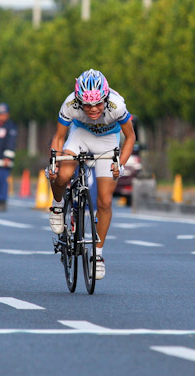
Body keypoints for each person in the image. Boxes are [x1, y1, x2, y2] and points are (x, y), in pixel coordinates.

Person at [46, 69, 135, 280]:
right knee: (63, 173)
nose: (93, 109)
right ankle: (58, 206)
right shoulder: (70, 104)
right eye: (87, 105)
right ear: (79, 101)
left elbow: (130, 138)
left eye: (98, 104)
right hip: (80, 135)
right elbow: (59, 138)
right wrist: (53, 163)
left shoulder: (117, 106)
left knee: (104, 201)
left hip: (107, 141)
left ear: (105, 98)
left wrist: (119, 164)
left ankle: (98, 255)